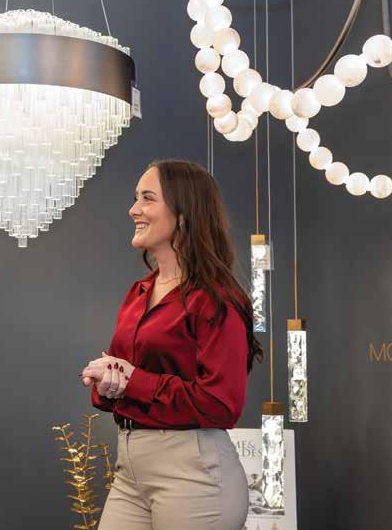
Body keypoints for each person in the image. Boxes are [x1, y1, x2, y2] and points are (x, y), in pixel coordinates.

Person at [81, 159, 263, 530]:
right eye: (136, 198)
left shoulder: (216, 298)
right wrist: (108, 382)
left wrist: (134, 381)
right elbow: (125, 380)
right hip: (130, 466)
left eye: (147, 198)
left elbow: (221, 404)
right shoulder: (139, 292)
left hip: (193, 475)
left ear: (183, 213)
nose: (133, 209)